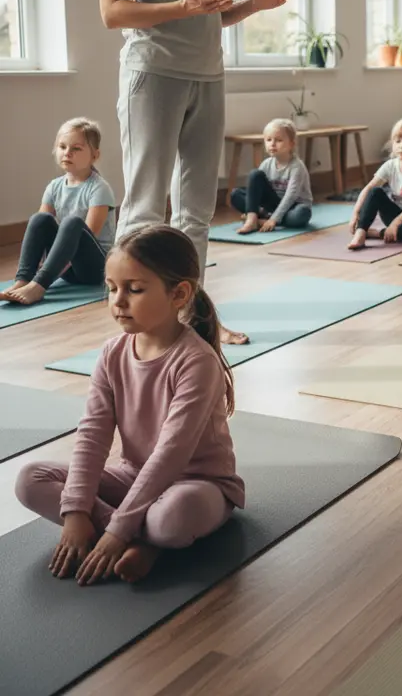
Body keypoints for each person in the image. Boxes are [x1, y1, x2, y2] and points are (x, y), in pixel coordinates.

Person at [99, 0, 297, 343]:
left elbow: (208, 16)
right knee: (144, 208)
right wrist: (177, 8)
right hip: (153, 75)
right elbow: (112, 11)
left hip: (207, 77)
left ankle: (192, 318)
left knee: (196, 212)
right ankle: (131, 327)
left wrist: (252, 6)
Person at [15, 225, 244, 585]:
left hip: (197, 484)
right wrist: (75, 511)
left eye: (134, 289)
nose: (118, 301)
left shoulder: (196, 362)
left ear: (179, 294)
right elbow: (92, 434)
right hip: (133, 474)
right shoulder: (112, 353)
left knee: (170, 519)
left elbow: (172, 454)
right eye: (111, 288)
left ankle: (141, 535)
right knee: (30, 480)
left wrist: (114, 532)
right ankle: (143, 542)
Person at [1, 118, 116, 306]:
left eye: (76, 149)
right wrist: (42, 266)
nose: (67, 153)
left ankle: (38, 285)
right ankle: (23, 280)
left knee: (72, 223)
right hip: (66, 269)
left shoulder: (99, 188)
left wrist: (46, 274)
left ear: (95, 155)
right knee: (40, 219)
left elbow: (88, 234)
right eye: (62, 147)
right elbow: (40, 231)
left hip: (95, 269)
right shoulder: (54, 187)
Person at [349, 118, 402, 250]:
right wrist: (356, 213)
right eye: (398, 141)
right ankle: (361, 232)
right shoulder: (390, 165)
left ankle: (380, 233)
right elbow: (369, 188)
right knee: (374, 192)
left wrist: (395, 224)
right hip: (394, 214)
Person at [230, 118, 313, 235]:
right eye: (268, 140)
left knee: (302, 213)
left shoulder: (297, 167)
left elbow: (290, 197)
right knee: (237, 193)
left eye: (279, 140)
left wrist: (273, 219)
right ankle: (252, 219)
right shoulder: (266, 164)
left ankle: (265, 220)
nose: (272, 144)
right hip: (272, 205)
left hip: (292, 206)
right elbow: (256, 191)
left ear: (291, 144)